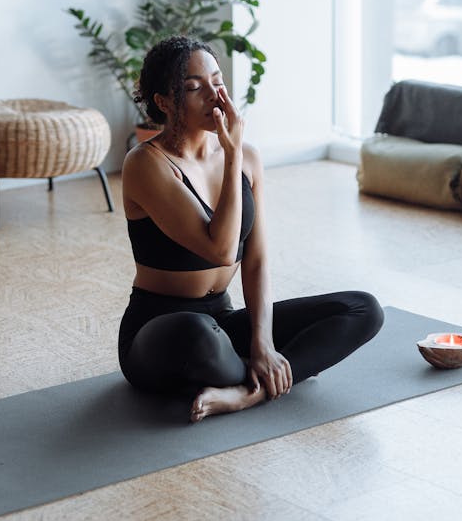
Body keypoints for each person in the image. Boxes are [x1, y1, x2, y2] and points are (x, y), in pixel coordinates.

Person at [119, 35, 384, 422]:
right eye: (194, 88)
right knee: (198, 335)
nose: (214, 95)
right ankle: (265, 377)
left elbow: (255, 259)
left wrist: (263, 342)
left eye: (218, 82)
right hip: (162, 330)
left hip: (221, 319)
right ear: (163, 103)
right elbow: (223, 250)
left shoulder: (249, 158)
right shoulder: (146, 164)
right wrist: (231, 155)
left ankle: (246, 392)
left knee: (363, 309)